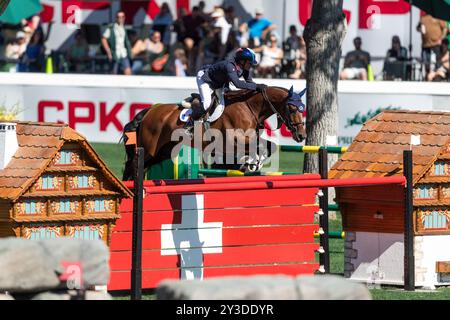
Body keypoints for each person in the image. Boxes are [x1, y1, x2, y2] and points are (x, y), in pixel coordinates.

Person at [184, 47, 267, 129]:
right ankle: (190, 123)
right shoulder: (229, 66)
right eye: (250, 63)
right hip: (205, 79)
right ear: (242, 60)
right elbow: (237, 84)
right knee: (206, 104)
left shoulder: (244, 68)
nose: (251, 66)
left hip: (219, 83)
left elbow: (250, 83)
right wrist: (256, 86)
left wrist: (259, 89)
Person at [101, 11, 132, 75]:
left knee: (128, 71)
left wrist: (130, 51)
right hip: (114, 54)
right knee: (114, 73)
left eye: (122, 17)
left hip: (123, 53)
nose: (120, 18)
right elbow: (104, 39)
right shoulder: (111, 28)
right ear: (116, 18)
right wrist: (108, 51)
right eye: (118, 17)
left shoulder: (124, 28)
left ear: (124, 18)